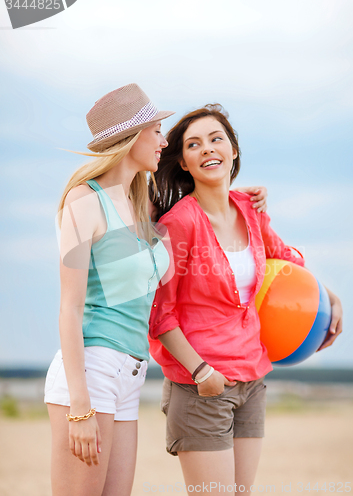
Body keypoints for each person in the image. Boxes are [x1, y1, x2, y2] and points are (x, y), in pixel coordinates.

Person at [44, 85, 268, 496]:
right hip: (91, 369)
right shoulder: (84, 201)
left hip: (132, 372)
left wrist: (250, 198)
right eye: (158, 131)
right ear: (130, 137)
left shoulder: (144, 205)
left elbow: (206, 209)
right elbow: (70, 309)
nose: (165, 143)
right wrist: (80, 406)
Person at [148, 104, 343, 496]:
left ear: (233, 150)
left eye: (216, 138)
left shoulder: (250, 211)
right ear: (183, 163)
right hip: (201, 384)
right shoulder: (178, 225)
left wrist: (331, 298)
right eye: (194, 144)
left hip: (252, 379)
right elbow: (160, 315)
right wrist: (203, 373)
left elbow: (287, 262)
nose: (207, 149)